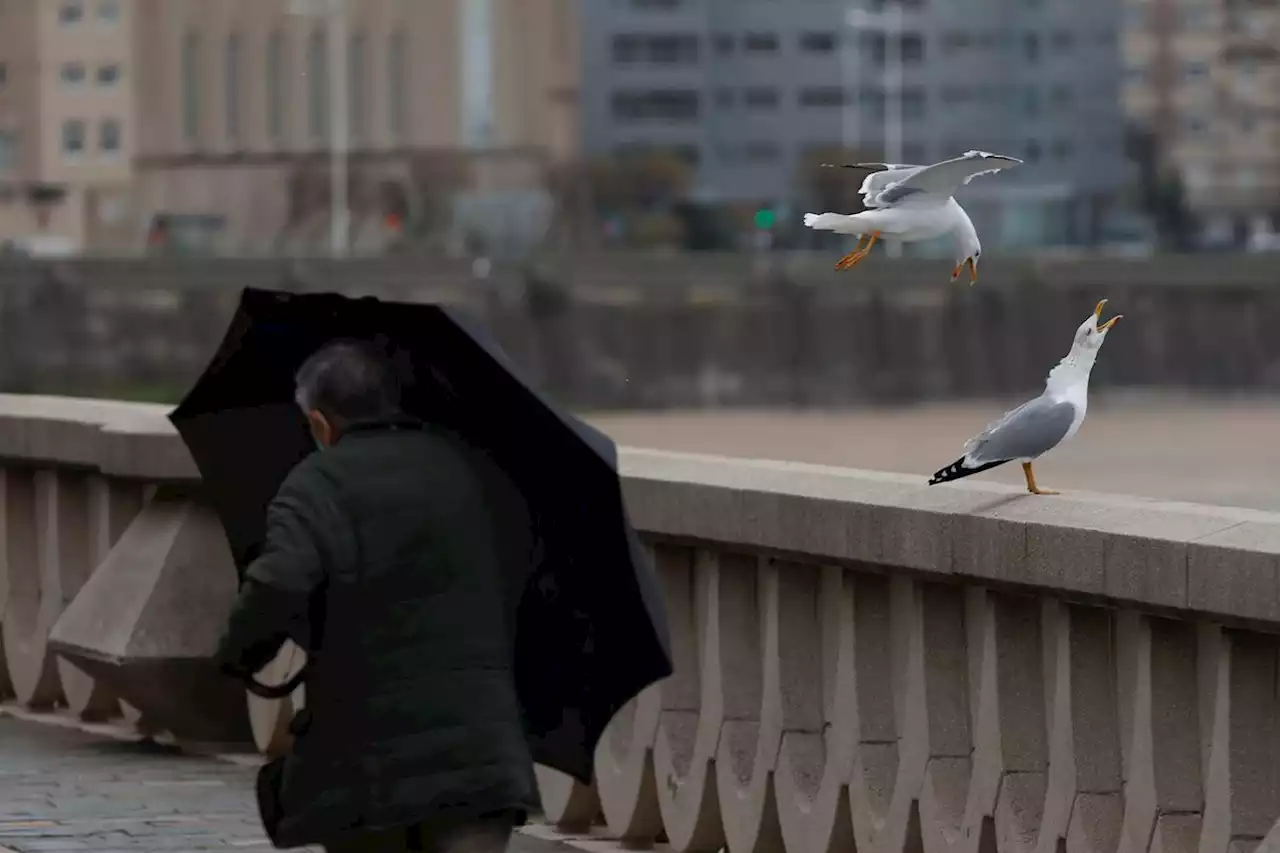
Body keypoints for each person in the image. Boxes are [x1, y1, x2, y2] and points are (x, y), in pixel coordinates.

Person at [214, 340, 539, 853]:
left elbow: (277, 583)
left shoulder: (316, 484)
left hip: (367, 769)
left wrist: (237, 656)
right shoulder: (466, 471)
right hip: (481, 755)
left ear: (320, 424)